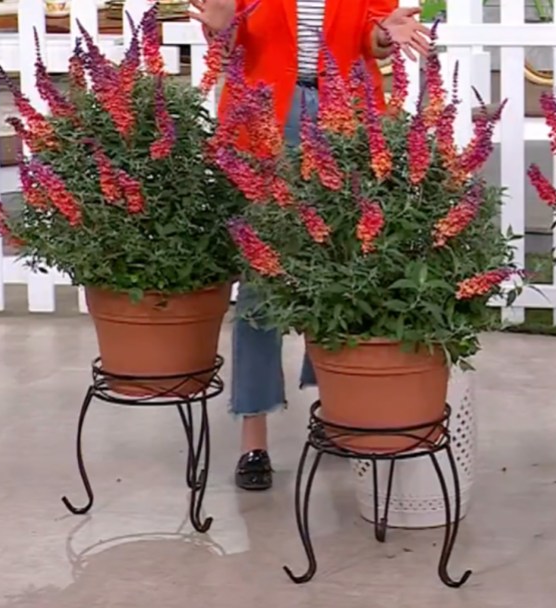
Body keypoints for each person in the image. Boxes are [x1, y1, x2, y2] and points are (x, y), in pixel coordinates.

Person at [190, 0, 431, 491]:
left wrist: (385, 36)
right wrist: (220, 32)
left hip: (346, 119)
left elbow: (373, 32)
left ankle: (333, 410)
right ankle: (252, 433)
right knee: (262, 273)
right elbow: (227, 42)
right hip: (261, 119)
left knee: (340, 263)